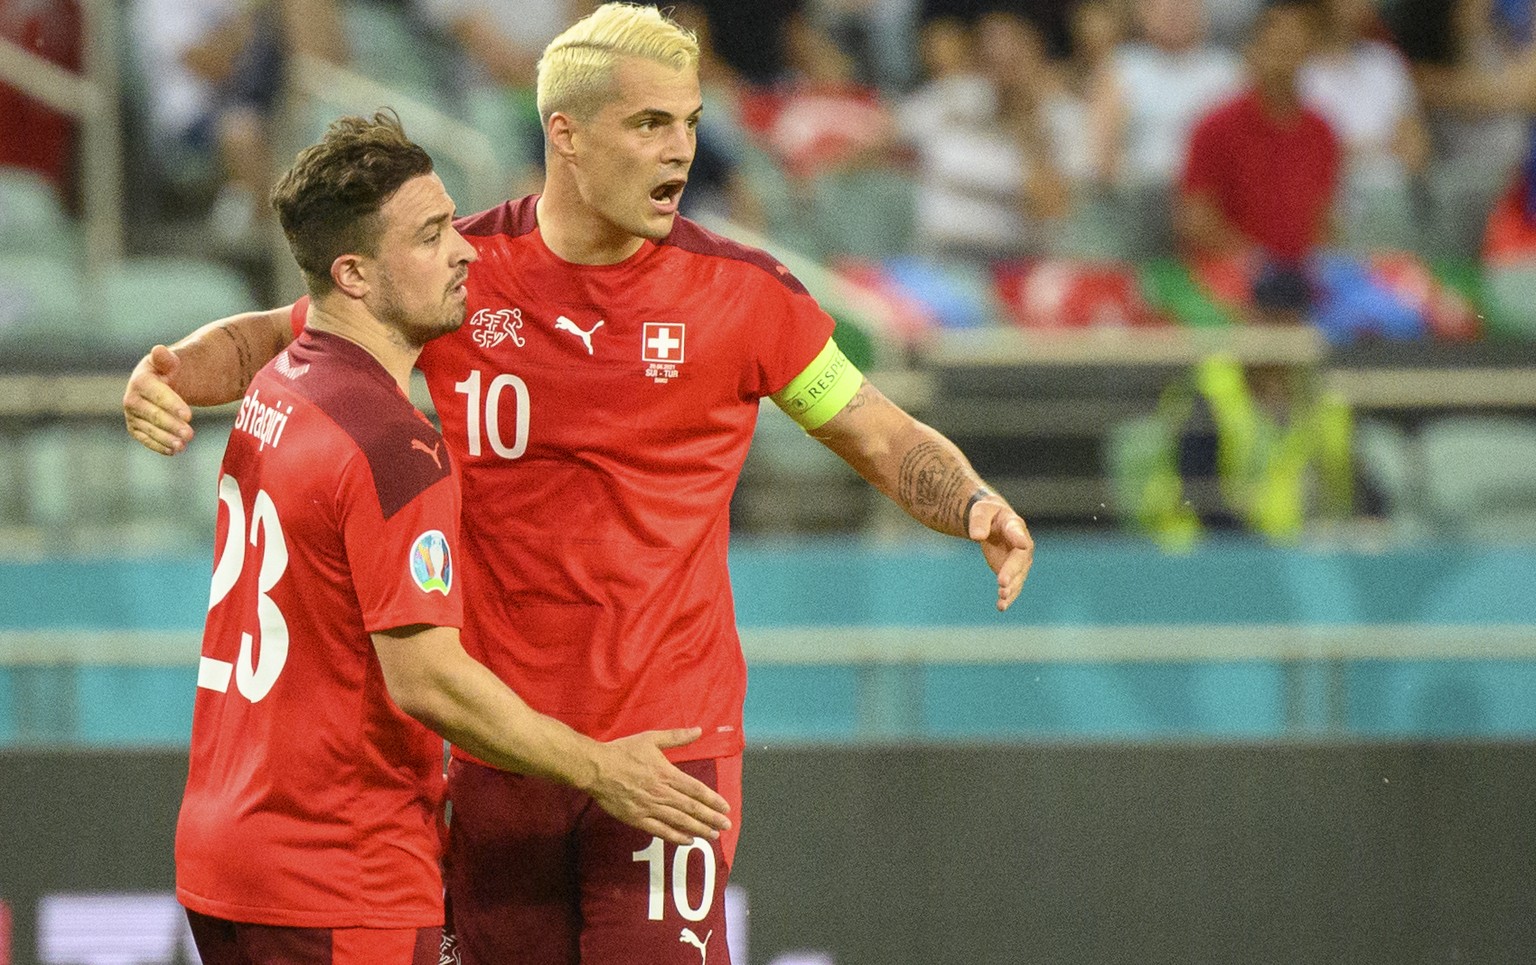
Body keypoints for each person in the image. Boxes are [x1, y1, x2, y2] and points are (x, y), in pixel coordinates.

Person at [124, 6, 1034, 963]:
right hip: (502, 748)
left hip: (669, 750)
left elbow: (881, 436)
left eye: (688, 122)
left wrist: (971, 502)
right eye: (649, 125)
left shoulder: (749, 299)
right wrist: (167, 374)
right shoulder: (459, 274)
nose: (681, 151)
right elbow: (282, 334)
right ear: (564, 132)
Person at [174, 110, 730, 965]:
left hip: (228, 857)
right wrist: (599, 766)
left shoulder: (277, 392)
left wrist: (165, 368)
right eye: (433, 235)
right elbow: (428, 679)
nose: (467, 250)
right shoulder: (396, 446)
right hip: (342, 871)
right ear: (354, 274)